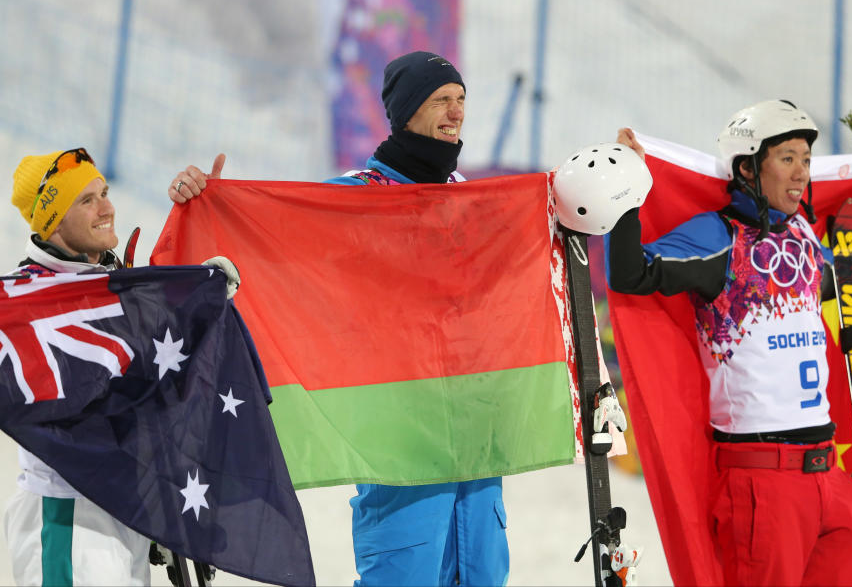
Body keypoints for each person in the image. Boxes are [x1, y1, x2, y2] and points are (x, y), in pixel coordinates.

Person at [169, 51, 509, 586]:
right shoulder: (355, 197)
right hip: (400, 435)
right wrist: (211, 207)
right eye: (440, 99)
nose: (456, 112)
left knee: (482, 573)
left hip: (475, 435)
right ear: (406, 112)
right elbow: (274, 241)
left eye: (461, 99)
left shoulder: (470, 197)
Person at [603, 100, 852, 586]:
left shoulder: (804, 236)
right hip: (762, 483)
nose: (801, 174)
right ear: (748, 166)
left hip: (830, 478)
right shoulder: (719, 236)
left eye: (807, 160)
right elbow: (632, 273)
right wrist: (625, 189)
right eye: (787, 158)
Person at [5, 148, 152, 586]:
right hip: (70, 520)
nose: (107, 208)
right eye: (86, 200)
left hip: (127, 514)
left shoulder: (111, 285)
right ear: (52, 220)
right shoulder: (26, 305)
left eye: (103, 193)